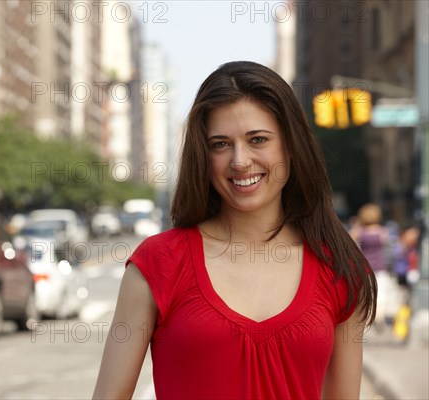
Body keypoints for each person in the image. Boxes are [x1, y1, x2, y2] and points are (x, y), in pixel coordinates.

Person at [93, 61, 377, 399]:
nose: (240, 160)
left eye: (258, 139)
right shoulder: (158, 264)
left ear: (291, 145)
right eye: (220, 144)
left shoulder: (340, 268)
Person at [349, 203, 391, 330]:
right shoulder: (382, 231)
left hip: (364, 267)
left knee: (366, 293)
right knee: (381, 293)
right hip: (380, 266)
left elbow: (348, 240)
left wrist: (356, 225)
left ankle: (368, 316)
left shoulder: (359, 231)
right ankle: (379, 316)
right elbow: (387, 246)